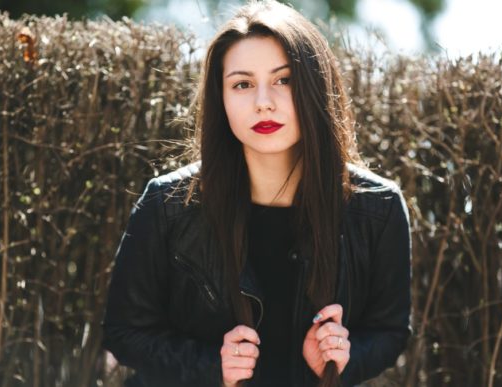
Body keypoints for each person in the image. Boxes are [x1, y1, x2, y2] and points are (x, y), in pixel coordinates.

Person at [102, 1, 411, 386]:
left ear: (315, 87)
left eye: (284, 79)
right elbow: (124, 332)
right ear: (222, 98)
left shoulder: (378, 208)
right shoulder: (168, 205)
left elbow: (390, 331)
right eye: (242, 84)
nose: (263, 101)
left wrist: (345, 358)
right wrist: (211, 366)